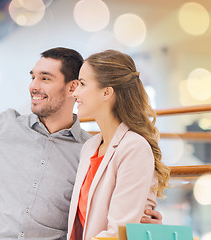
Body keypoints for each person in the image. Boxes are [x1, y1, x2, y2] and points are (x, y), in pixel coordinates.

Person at [0, 47, 162, 240]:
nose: (33, 85)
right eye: (33, 76)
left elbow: (107, 212)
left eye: (45, 78)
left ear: (72, 88)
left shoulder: (88, 148)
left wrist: (142, 220)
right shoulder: (4, 127)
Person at [67, 49, 170, 240]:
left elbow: (118, 233)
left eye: (82, 84)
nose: (75, 92)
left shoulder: (134, 148)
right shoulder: (90, 147)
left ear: (107, 92)